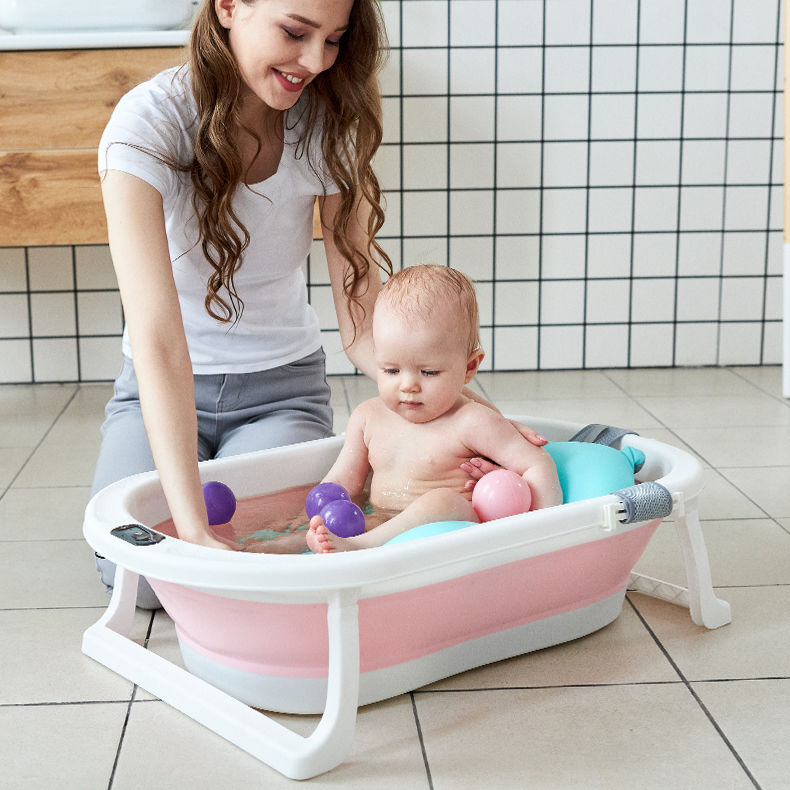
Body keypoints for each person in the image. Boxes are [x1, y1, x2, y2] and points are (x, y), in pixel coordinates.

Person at [91, 0, 393, 606]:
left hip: (281, 393)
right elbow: (158, 339)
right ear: (228, 6)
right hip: (162, 387)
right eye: (295, 32)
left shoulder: (330, 120)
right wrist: (193, 528)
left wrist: (439, 398)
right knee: (143, 578)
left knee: (262, 555)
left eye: (334, 40)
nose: (315, 62)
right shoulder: (149, 123)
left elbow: (360, 308)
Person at [306, 265, 563, 553]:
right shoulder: (368, 417)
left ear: (469, 367)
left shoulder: (472, 421)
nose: (408, 385)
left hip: (448, 539)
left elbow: (537, 463)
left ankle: (359, 547)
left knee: (442, 501)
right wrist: (314, 515)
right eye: (391, 370)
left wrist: (545, 531)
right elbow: (343, 482)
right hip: (381, 525)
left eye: (428, 372)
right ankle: (277, 549)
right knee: (312, 535)